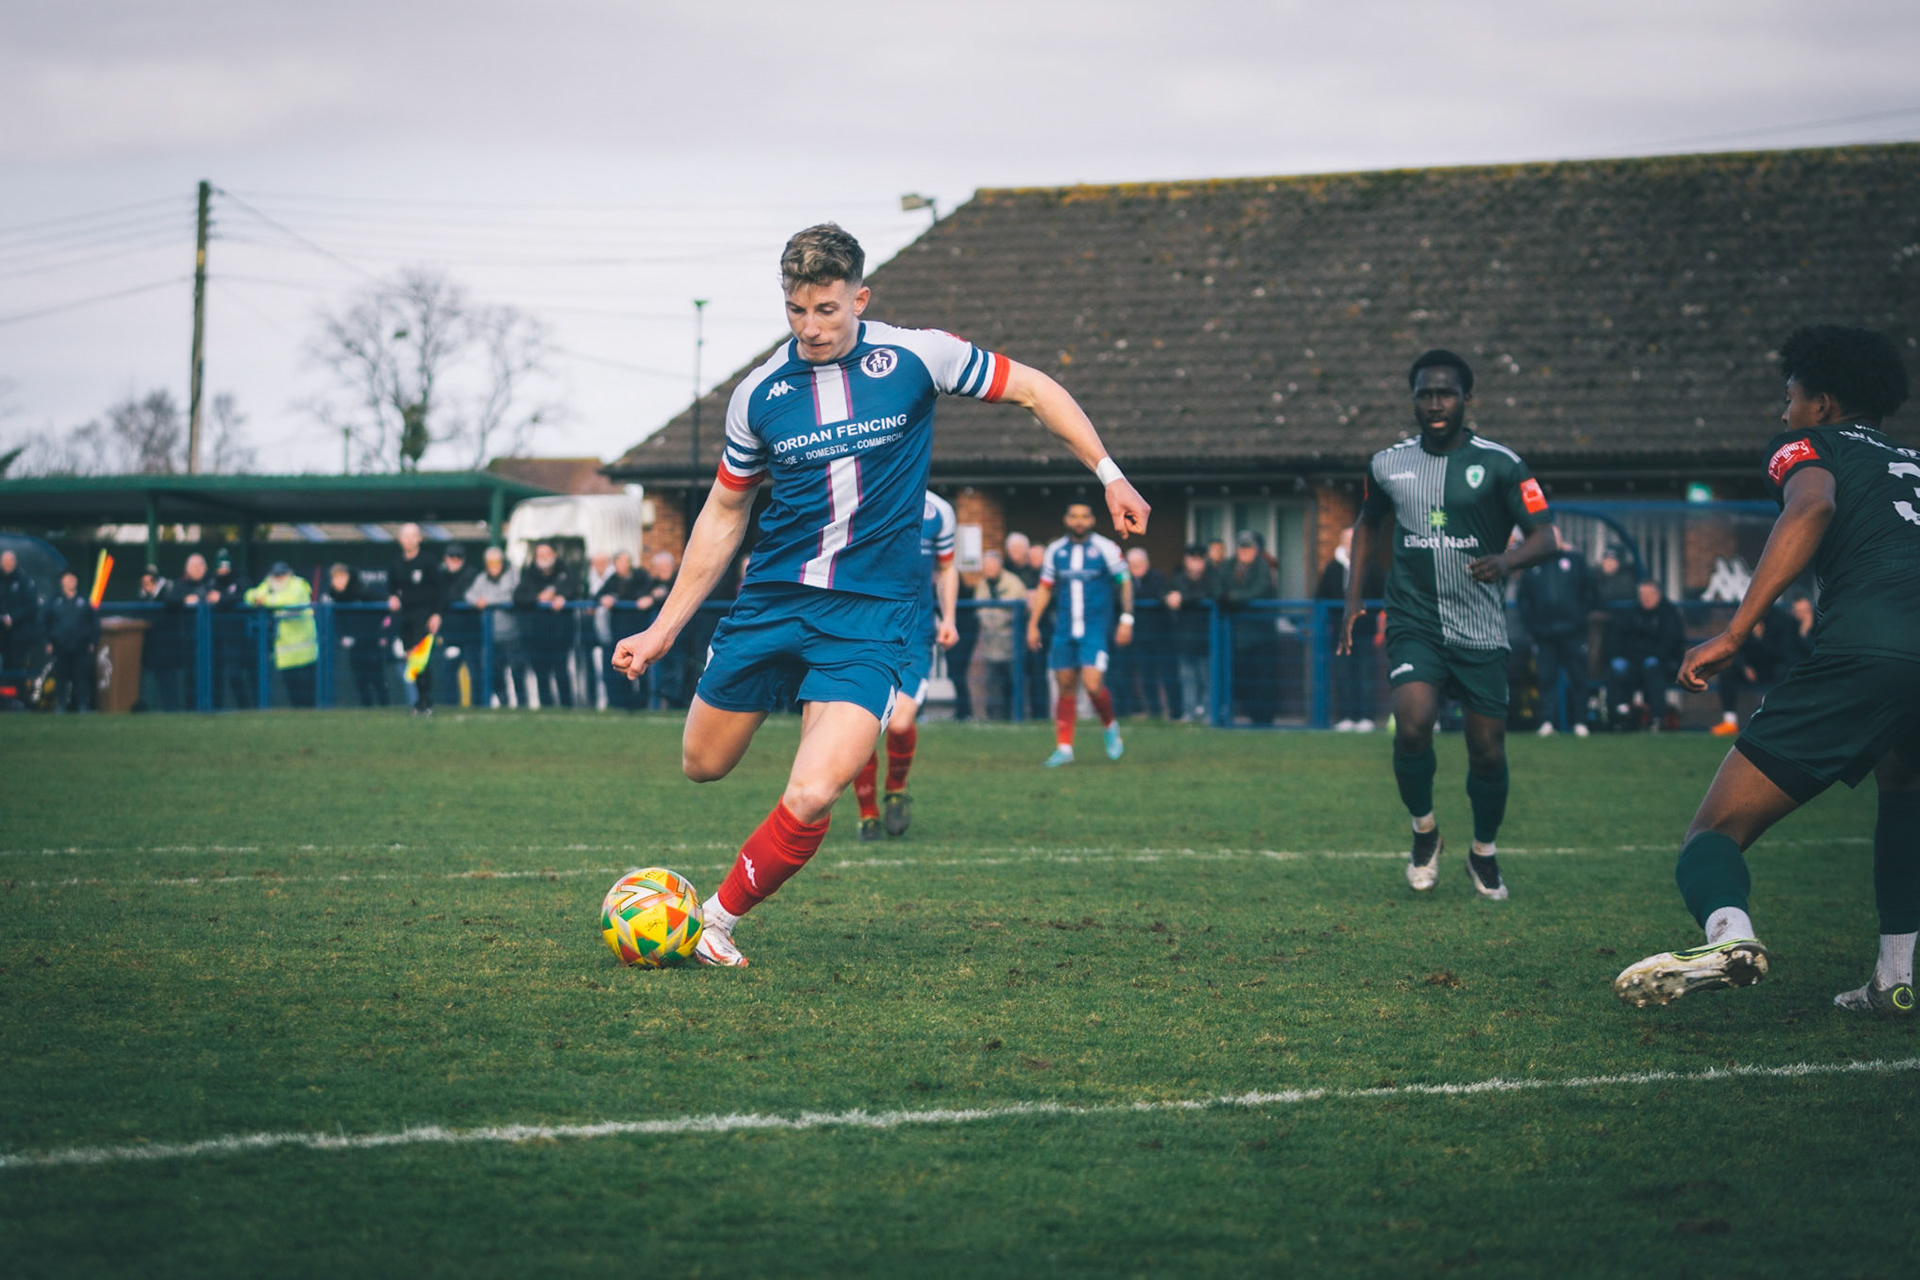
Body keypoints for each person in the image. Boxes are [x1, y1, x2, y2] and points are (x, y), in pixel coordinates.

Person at [612, 222, 1148, 967]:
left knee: (815, 790)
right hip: (772, 603)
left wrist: (1108, 470)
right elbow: (725, 511)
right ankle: (775, 703)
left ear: (859, 298)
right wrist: (664, 628)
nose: (812, 327)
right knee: (702, 764)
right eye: (797, 311)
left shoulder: (918, 357)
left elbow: (1030, 387)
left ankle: (714, 921)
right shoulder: (758, 396)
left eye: (828, 309)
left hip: (870, 619)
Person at [1615, 323, 1919, 1015]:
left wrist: (1733, 632)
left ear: (1824, 402)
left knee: (1713, 833)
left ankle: (1730, 934)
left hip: (1868, 649)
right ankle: (1893, 979)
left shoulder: (1809, 446)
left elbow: (1812, 505)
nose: (1783, 414)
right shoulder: (1913, 462)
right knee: (1904, 787)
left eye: (1790, 398)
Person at [1341, 349, 1557, 901]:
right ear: (1413, 398)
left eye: (1445, 394)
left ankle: (1483, 852)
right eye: (1424, 394)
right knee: (1412, 724)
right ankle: (1424, 833)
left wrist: (1507, 561)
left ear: (1466, 399)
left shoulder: (1502, 464)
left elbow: (1545, 537)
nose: (1434, 404)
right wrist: (1353, 598)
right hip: (1415, 619)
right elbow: (1367, 525)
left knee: (1487, 751)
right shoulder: (1387, 464)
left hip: (1481, 628)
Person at [852, 490, 958, 839]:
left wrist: (949, 618)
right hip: (866, 634)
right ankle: (867, 813)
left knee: (898, 724)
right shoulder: (863, 502)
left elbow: (947, 568)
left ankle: (895, 789)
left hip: (915, 638)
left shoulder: (938, 511)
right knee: (862, 730)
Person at [1026, 502, 1133, 766]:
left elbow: (1125, 581)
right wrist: (1033, 623)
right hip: (1064, 630)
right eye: (1074, 516)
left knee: (1093, 684)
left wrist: (1127, 619)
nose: (1079, 521)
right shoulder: (1056, 551)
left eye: (1084, 516)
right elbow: (1045, 587)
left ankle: (1110, 727)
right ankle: (1064, 748)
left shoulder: (1106, 548)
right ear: (1066, 519)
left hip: (1094, 629)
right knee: (1064, 687)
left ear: (1093, 520)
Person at [1516, 528, 1599, 736]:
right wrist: (1534, 625)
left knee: (1579, 678)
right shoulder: (1532, 565)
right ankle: (1546, 722)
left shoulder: (1575, 561)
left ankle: (1580, 722)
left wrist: (1579, 616)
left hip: (1573, 633)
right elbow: (1523, 599)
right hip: (1544, 635)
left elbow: (1590, 591)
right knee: (1545, 679)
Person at [1316, 526, 1384, 731]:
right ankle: (1346, 716)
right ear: (1341, 541)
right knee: (1343, 675)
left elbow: (1382, 595)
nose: (1351, 543)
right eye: (1348, 539)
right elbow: (1320, 596)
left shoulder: (1372, 567)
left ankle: (1365, 717)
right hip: (1339, 632)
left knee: (1365, 674)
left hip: (1364, 631)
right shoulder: (1332, 568)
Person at [1604, 580, 1685, 730]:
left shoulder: (1669, 615)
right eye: (1642, 594)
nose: (1646, 598)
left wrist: (1644, 654)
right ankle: (1617, 717)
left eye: (1650, 594)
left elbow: (1669, 646)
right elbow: (1618, 641)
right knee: (1617, 667)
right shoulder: (1631, 614)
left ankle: (1657, 718)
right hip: (1634, 662)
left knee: (1652, 666)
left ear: (1659, 595)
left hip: (1661, 664)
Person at [1222, 530, 1279, 724]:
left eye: (1249, 548)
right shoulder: (1229, 566)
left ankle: (1264, 718)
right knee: (1242, 677)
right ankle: (1250, 714)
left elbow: (1260, 590)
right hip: (1238, 635)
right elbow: (1219, 588)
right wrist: (1229, 598)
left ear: (1256, 550)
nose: (1245, 552)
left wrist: (1234, 598)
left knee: (1263, 678)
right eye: (1242, 548)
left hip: (1261, 635)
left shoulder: (1263, 566)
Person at [245, 561, 318, 708]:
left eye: (282, 575)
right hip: (286, 652)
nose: (279, 578)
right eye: (276, 575)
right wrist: (258, 597)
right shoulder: (270, 584)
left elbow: (290, 600)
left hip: (305, 651)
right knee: (293, 694)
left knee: (308, 695)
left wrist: (264, 600)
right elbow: (249, 595)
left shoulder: (298, 584)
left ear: (289, 573)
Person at [515, 541, 576, 708]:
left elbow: (575, 589)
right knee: (541, 675)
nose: (544, 558)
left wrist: (561, 596)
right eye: (540, 555)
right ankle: (546, 707)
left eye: (547, 555)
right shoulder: (529, 574)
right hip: (536, 635)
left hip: (560, 635)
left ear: (554, 555)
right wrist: (538, 598)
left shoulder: (565, 571)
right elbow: (518, 597)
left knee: (561, 673)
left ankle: (567, 707)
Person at [1166, 543, 1220, 723]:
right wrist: (1169, 597)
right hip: (1184, 637)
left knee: (1207, 678)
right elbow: (1165, 592)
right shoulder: (1178, 578)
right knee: (1187, 677)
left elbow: (1208, 594)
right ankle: (1188, 713)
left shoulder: (1212, 578)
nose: (1196, 564)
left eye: (1199, 560)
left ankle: (1208, 713)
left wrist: (1183, 599)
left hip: (1207, 636)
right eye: (1192, 559)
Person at [971, 548, 1027, 719]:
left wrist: (993, 615)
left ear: (999, 566)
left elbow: (1013, 612)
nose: (987, 569)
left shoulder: (1014, 583)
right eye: (985, 566)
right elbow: (979, 611)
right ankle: (996, 717)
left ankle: (1017, 716)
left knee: (1014, 682)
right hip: (990, 644)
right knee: (993, 683)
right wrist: (994, 616)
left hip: (1011, 644)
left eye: (990, 566)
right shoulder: (982, 584)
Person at [324, 562, 390, 708]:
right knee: (360, 677)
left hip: (371, 640)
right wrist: (344, 636)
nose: (339, 581)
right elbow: (337, 622)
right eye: (335, 578)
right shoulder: (333, 597)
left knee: (377, 676)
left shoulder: (361, 591)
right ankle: (367, 706)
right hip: (354, 643)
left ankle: (385, 705)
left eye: (342, 577)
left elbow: (382, 605)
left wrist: (380, 633)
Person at [466, 547, 523, 707]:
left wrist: (488, 601)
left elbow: (513, 596)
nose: (494, 565)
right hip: (491, 636)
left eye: (497, 562)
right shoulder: (482, 578)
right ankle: (503, 702)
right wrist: (477, 601)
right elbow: (470, 594)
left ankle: (522, 704)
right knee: (495, 673)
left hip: (511, 634)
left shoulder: (512, 574)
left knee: (517, 671)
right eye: (490, 562)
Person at [596, 552, 651, 711]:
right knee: (622, 669)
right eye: (619, 562)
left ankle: (644, 703)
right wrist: (605, 598)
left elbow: (650, 592)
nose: (623, 565)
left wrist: (648, 598)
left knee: (643, 667)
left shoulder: (641, 576)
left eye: (625, 561)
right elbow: (597, 595)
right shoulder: (612, 580)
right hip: (619, 633)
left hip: (640, 631)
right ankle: (622, 703)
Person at [43, 569, 99, 712]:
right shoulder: (54, 601)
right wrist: (47, 641)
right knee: (61, 677)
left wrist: (92, 641)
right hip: (60, 645)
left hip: (81, 645)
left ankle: (82, 706)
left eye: (72, 578)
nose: (70, 581)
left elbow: (93, 622)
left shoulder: (84, 600)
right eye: (67, 579)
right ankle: (61, 705)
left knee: (82, 678)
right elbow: (45, 622)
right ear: (62, 582)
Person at [207, 549, 255, 709]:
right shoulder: (212, 581)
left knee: (238, 674)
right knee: (218, 675)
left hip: (241, 637)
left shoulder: (240, 579)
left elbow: (246, 596)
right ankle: (216, 709)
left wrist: (222, 599)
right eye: (220, 568)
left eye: (225, 567)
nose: (223, 571)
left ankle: (247, 707)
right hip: (217, 637)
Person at [135, 563, 183, 711]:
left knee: (169, 681)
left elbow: (169, 614)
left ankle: (171, 709)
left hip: (167, 648)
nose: (147, 586)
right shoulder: (143, 598)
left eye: (150, 582)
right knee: (155, 681)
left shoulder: (168, 591)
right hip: (152, 649)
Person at [438, 543, 481, 707]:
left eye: (458, 557)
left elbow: (455, 595)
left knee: (476, 673)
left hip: (471, 633)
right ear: (445, 558)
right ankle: (451, 707)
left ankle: (479, 706)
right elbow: (441, 596)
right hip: (450, 635)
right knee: (448, 673)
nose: (454, 560)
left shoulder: (471, 573)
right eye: (451, 557)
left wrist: (446, 597)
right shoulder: (441, 575)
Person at [0, 549, 37, 672]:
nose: (7, 565)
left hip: (19, 633)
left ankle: (19, 690)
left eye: (10, 562)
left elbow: (31, 605)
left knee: (17, 666)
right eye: (4, 562)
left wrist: (13, 618)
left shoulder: (24, 580)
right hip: (2, 633)